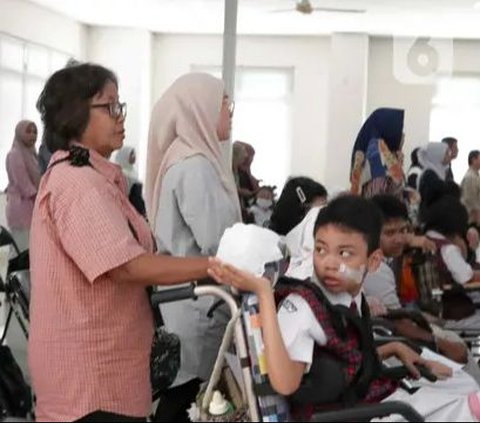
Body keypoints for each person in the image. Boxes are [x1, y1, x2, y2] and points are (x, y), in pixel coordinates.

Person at [30, 63, 212, 423]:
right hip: (90, 381)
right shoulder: (75, 183)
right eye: (109, 106)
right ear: (75, 113)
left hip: (111, 370)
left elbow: (139, 255)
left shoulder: (98, 179)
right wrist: (215, 266)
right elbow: (127, 266)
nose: (120, 117)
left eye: (120, 106)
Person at [209, 196, 480, 422]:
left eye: (345, 254)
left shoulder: (346, 297)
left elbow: (340, 360)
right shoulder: (302, 308)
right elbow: (285, 384)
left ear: (373, 262)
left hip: (361, 402)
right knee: (466, 407)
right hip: (350, 413)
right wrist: (265, 295)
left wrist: (395, 348)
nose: (329, 263)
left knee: (462, 386)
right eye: (321, 249)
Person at [144, 72, 242, 421]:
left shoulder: (188, 156)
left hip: (190, 299)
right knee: (193, 392)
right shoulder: (195, 165)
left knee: (190, 390)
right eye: (225, 104)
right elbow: (220, 238)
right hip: (199, 302)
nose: (230, 112)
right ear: (200, 109)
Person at [350, 108, 405, 199]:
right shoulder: (377, 157)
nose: (402, 135)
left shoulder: (375, 151)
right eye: (399, 130)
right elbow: (381, 199)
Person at [5, 120, 41, 252]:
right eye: (28, 131)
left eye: (35, 132)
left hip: (31, 208)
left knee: (28, 252)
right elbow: (24, 185)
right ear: (20, 133)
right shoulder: (14, 154)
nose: (32, 135)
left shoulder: (32, 155)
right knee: (21, 252)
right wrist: (41, 197)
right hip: (20, 208)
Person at [115, 146, 146, 217]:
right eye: (131, 154)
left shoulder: (133, 171)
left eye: (134, 154)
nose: (134, 156)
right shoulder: (121, 173)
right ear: (124, 156)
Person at [461, 150, 480, 225]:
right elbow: (471, 200)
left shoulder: (475, 176)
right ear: (473, 160)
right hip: (472, 220)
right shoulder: (470, 177)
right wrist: (478, 219)